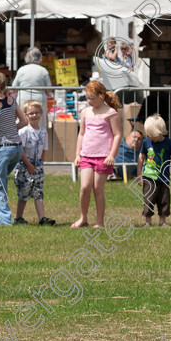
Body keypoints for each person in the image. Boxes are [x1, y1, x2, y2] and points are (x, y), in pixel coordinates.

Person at [72, 80, 122, 229]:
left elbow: (118, 135)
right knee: (85, 187)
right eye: (88, 98)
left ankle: (99, 221)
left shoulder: (111, 113)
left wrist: (111, 155)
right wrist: (77, 155)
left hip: (103, 156)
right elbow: (81, 134)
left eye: (92, 98)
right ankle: (83, 218)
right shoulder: (85, 112)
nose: (90, 101)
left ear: (101, 96)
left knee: (97, 189)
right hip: (86, 155)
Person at [0, 71, 29, 226]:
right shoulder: (12, 100)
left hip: (4, 148)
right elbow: (24, 121)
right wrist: (12, 127)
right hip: (17, 148)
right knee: (0, 181)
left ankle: (3, 219)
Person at [137, 114, 171, 227]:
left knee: (164, 200)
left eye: (153, 135)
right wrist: (139, 174)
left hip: (164, 178)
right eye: (149, 135)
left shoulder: (168, 143)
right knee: (149, 199)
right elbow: (141, 157)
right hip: (149, 177)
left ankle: (162, 221)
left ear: (161, 132)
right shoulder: (146, 142)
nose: (151, 138)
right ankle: (147, 221)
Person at [13, 100, 55, 226]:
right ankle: (18, 217)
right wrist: (29, 165)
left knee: (38, 193)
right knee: (24, 194)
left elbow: (43, 150)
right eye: (31, 113)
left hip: (37, 166)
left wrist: (41, 164)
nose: (34, 115)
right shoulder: (24, 132)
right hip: (24, 166)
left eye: (37, 113)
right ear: (25, 115)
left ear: (41, 114)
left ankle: (42, 218)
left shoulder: (43, 132)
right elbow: (21, 150)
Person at [11, 47, 52, 127]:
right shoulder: (43, 70)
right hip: (39, 100)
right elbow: (48, 89)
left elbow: (14, 87)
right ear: (40, 57)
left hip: (23, 99)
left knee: (23, 123)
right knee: (39, 125)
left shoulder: (21, 70)